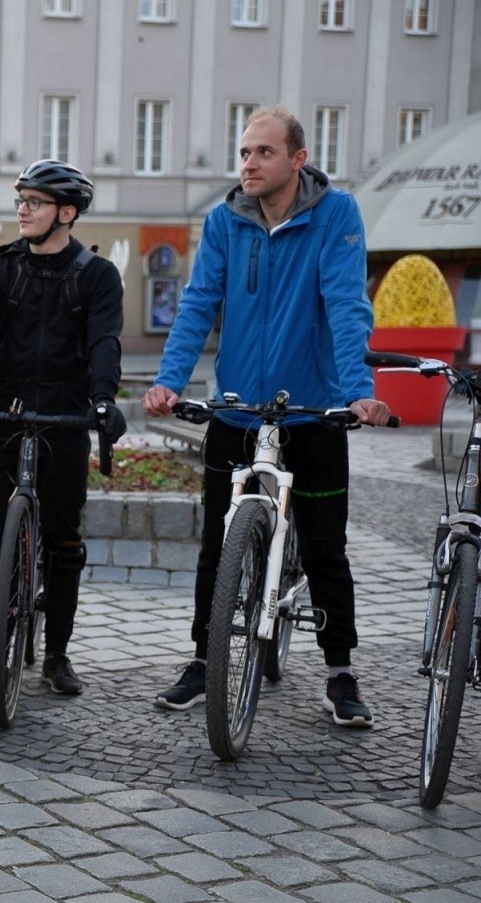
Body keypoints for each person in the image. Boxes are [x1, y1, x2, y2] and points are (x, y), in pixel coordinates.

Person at [143, 105, 389, 727]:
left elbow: (345, 304)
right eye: (245, 151)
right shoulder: (226, 219)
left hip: (313, 413)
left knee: (328, 547)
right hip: (238, 409)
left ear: (297, 159)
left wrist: (357, 390)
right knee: (214, 545)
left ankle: (340, 672)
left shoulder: (336, 215)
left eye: (263, 153)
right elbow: (199, 302)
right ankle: (203, 660)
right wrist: (170, 382)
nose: (248, 163)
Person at [0, 159, 125, 701]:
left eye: (34, 202)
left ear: (66, 213)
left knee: (63, 543)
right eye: (20, 200)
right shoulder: (0, 270)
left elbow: (104, 343)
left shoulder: (96, 277)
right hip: (4, 416)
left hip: (64, 418)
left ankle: (57, 652)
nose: (22, 209)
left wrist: (104, 401)